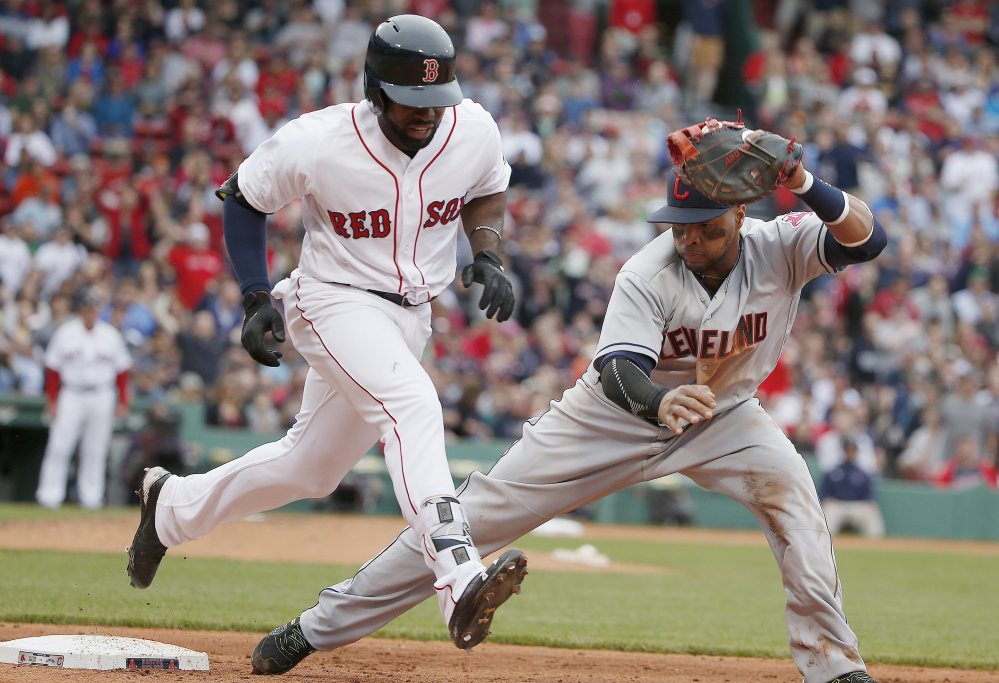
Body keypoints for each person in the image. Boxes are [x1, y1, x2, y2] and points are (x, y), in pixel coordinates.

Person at [245, 135, 888, 683]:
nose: (688, 239)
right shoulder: (649, 271)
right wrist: (661, 399)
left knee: (796, 507)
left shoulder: (783, 244)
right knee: (471, 519)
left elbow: (867, 241)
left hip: (726, 416)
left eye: (706, 227)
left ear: (741, 217)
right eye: (679, 225)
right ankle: (314, 628)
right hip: (609, 419)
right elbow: (618, 372)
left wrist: (802, 180)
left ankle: (835, 666)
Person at [125, 14, 527, 666]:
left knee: (310, 468)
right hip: (331, 300)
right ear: (376, 90)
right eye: (411, 101)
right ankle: (457, 577)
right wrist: (256, 295)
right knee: (412, 405)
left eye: (435, 100)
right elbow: (243, 197)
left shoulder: (470, 127)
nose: (427, 115)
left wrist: (489, 254)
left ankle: (170, 506)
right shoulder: (318, 140)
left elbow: (487, 187)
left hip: (411, 314)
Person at [35, 287, 132, 509]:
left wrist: (123, 400)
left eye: (94, 307)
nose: (91, 311)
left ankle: (91, 498)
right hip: (72, 393)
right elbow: (53, 368)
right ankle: (49, 496)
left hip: (101, 394)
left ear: (99, 309)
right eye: (87, 307)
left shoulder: (110, 335)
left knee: (96, 449)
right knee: (59, 445)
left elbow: (122, 371)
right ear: (81, 309)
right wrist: (52, 399)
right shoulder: (65, 332)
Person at [820, 438, 885, 538]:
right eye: (847, 450)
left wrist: (868, 502)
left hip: (857, 506)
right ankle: (826, 544)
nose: (850, 453)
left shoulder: (863, 474)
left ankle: (876, 545)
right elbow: (824, 494)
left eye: (852, 450)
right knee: (829, 510)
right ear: (843, 451)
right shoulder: (832, 472)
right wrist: (828, 498)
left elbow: (869, 497)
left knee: (871, 511)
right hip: (837, 505)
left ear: (856, 452)